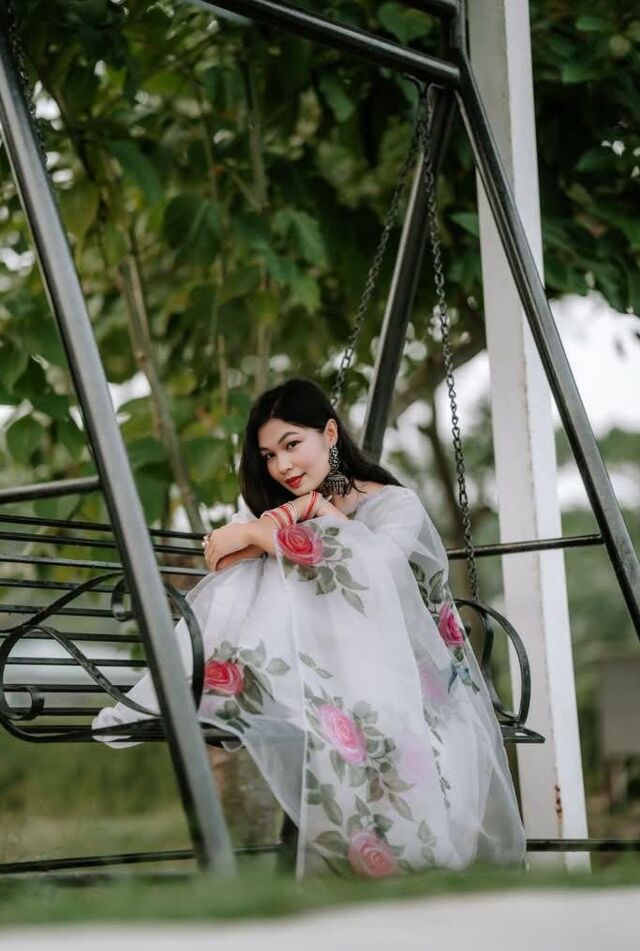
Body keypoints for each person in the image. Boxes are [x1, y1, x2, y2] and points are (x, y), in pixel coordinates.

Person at [92, 377, 527, 879]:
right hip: (308, 664)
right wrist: (281, 524)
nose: (282, 465)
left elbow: (376, 569)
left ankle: (224, 685)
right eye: (269, 455)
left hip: (393, 665)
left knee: (298, 566)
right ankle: (215, 684)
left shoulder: (394, 505)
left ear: (330, 434)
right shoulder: (269, 505)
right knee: (263, 575)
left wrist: (305, 517)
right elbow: (221, 557)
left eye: (292, 444)